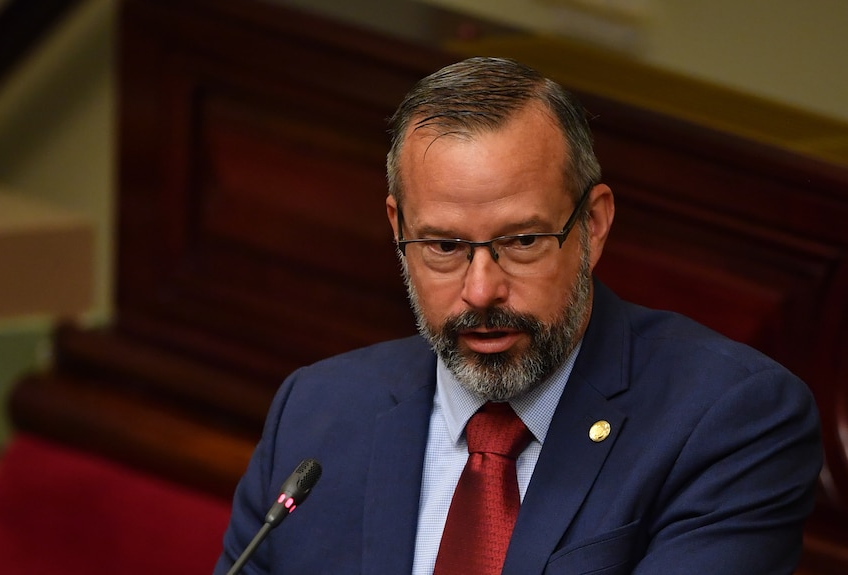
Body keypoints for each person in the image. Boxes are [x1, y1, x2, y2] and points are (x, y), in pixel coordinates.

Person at [214, 57, 822, 575]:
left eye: (524, 240)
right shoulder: (317, 412)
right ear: (399, 229)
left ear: (593, 225)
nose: (481, 291)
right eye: (445, 246)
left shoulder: (732, 421)